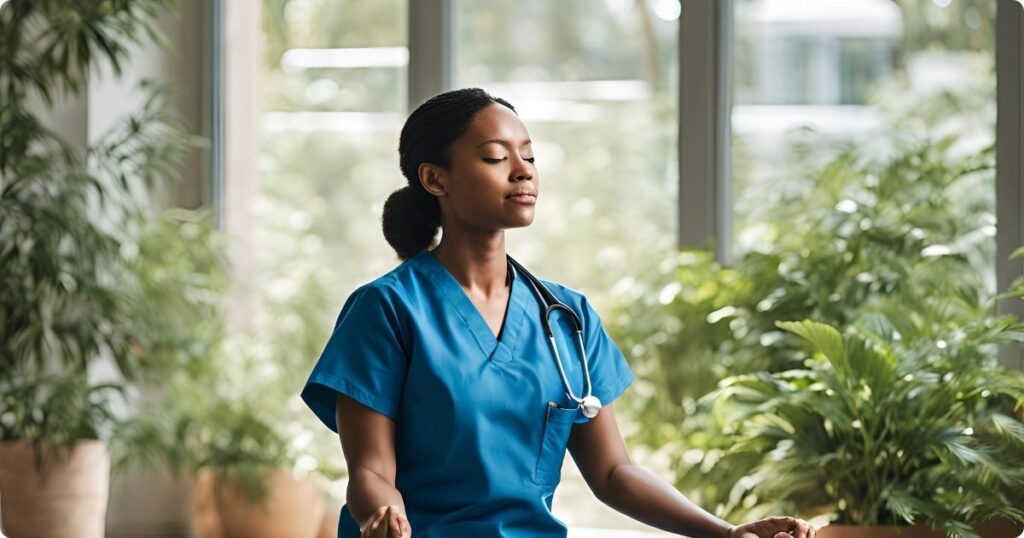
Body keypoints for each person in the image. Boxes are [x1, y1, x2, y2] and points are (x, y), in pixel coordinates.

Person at [300, 87, 817, 538]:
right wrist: (385, 517)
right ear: (436, 179)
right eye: (495, 157)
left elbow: (613, 473)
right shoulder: (387, 309)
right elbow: (369, 470)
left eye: (529, 155)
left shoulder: (567, 316)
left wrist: (725, 533)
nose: (523, 171)